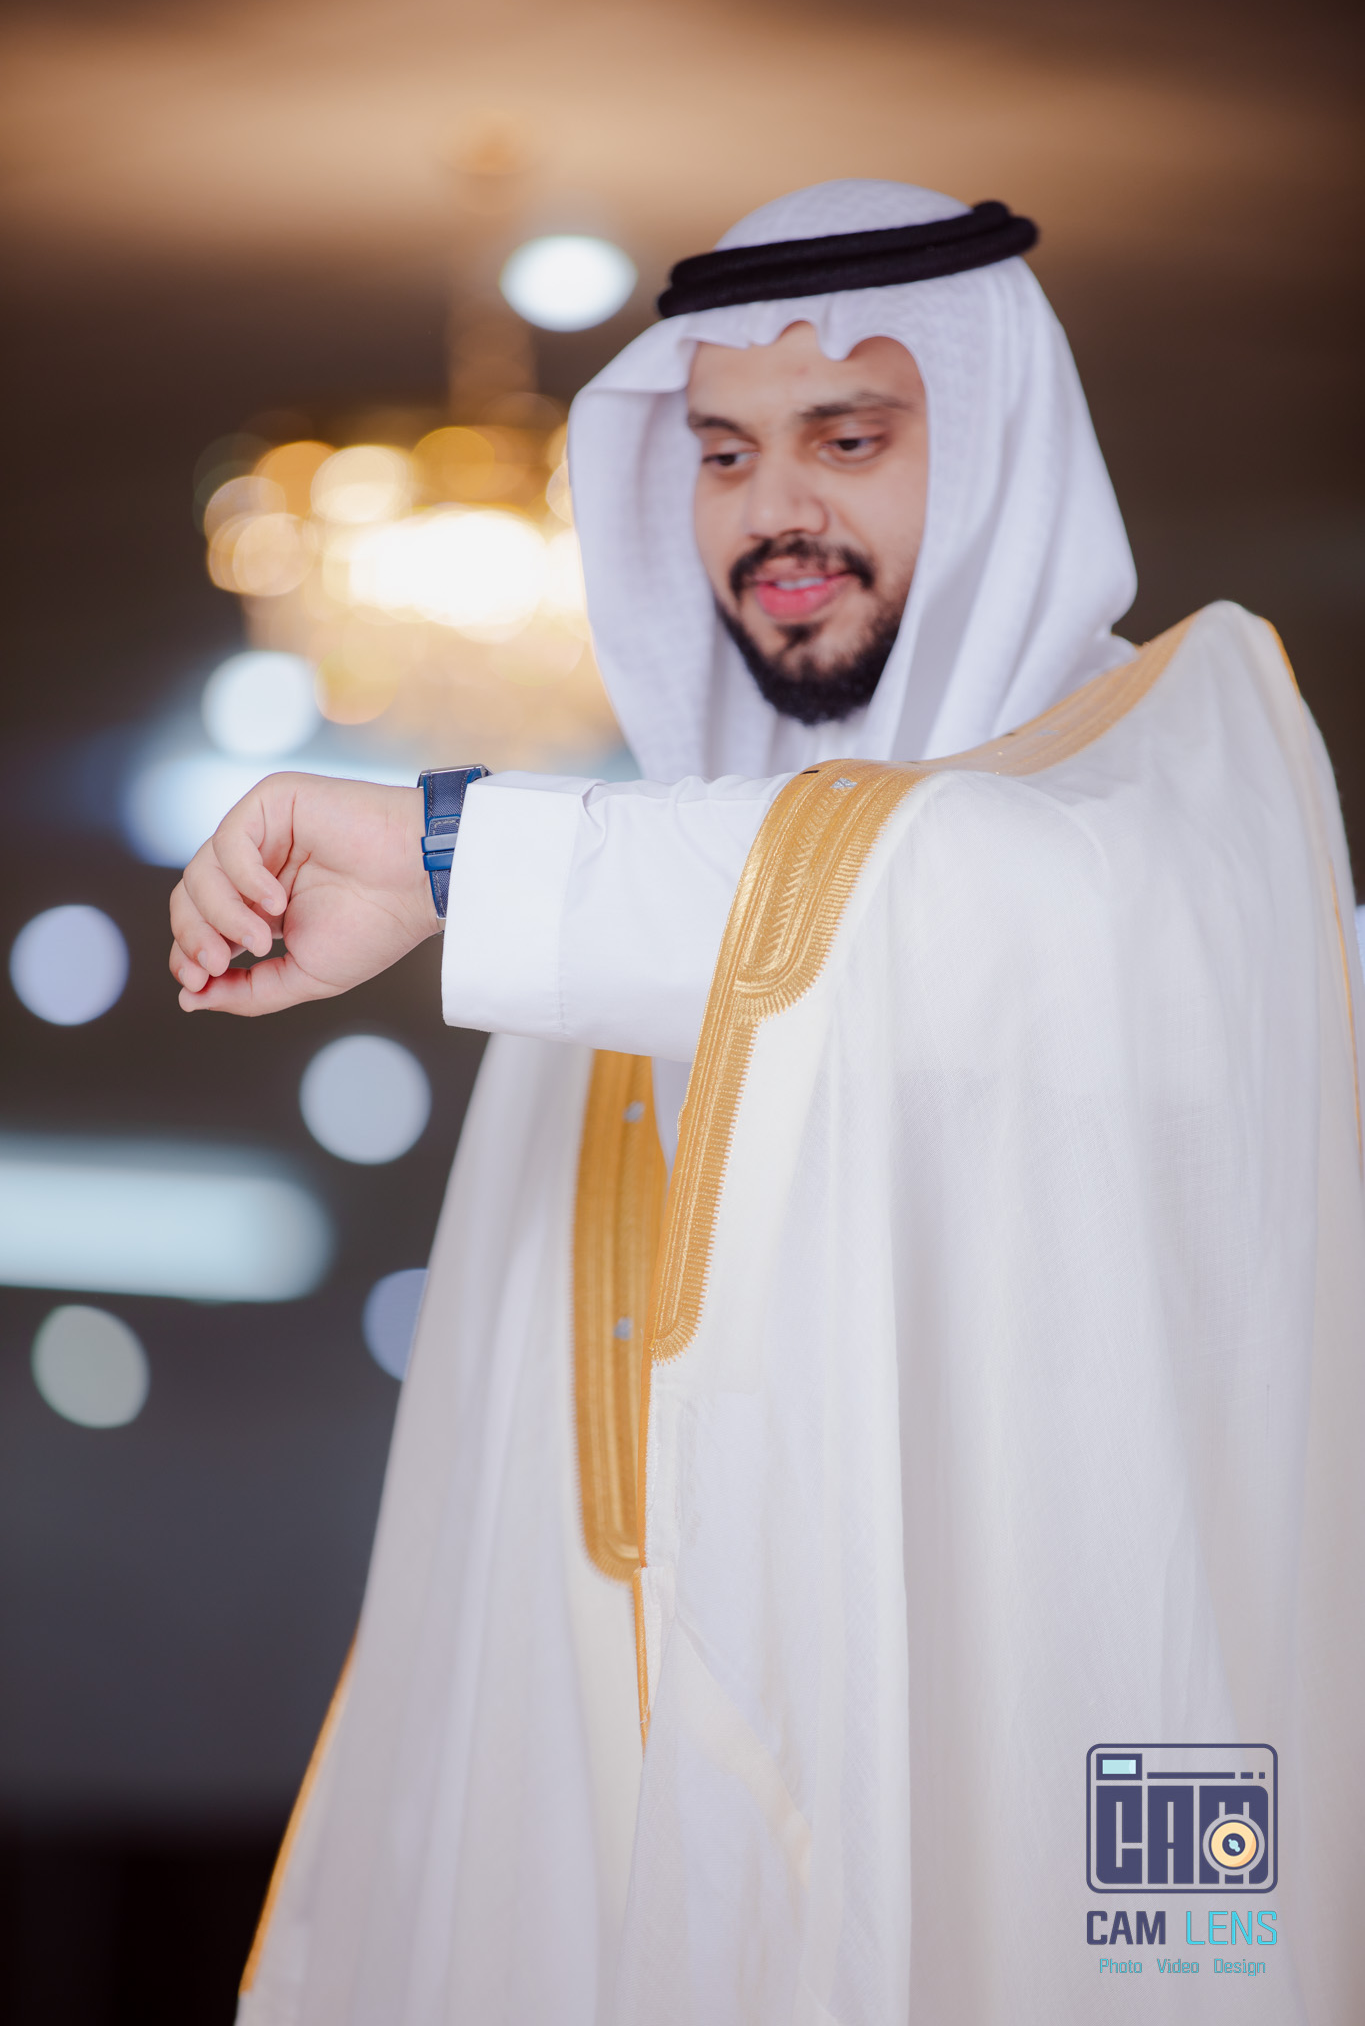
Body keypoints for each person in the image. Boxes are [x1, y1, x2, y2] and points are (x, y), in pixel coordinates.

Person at [171, 183, 1364, 2025]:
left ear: (997, 454)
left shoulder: (1174, 777)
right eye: (722, 452)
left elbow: (977, 904)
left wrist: (446, 847)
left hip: (1072, 1793)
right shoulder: (618, 902)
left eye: (849, 438)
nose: (772, 510)